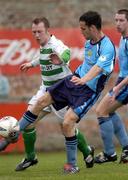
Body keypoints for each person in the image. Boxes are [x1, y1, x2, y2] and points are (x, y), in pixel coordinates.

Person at [6, 11, 115, 174]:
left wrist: (83, 79)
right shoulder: (89, 42)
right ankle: (14, 134)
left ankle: (73, 164)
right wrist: (71, 72)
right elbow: (85, 63)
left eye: (83, 28)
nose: (81, 31)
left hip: (88, 90)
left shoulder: (107, 47)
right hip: (73, 80)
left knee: (67, 123)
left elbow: (98, 67)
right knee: (40, 102)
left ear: (92, 28)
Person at [95, 9, 128, 164]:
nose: (118, 23)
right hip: (122, 80)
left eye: (121, 20)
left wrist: (117, 87)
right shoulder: (123, 39)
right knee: (108, 111)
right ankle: (126, 149)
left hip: (125, 83)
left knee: (101, 111)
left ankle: (109, 153)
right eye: (116, 20)